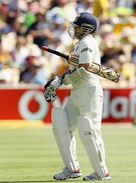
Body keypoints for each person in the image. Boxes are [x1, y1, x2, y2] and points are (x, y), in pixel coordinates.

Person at [44, 12, 111, 181]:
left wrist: (62, 80)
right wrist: (60, 79)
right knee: (62, 125)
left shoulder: (88, 42)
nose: (74, 28)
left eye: (77, 26)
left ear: (86, 28)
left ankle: (102, 172)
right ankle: (72, 168)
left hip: (89, 91)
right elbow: (77, 69)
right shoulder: (79, 44)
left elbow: (84, 69)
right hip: (77, 91)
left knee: (89, 130)